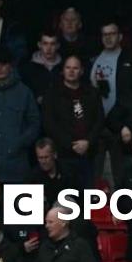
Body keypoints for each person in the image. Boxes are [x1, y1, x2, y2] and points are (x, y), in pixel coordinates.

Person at [0, 52, 40, 183]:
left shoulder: (24, 92)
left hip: (17, 164)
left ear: (11, 67)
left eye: (3, 65)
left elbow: (35, 122)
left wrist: (20, 143)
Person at [41, 56, 103, 186]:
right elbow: (49, 124)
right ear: (63, 70)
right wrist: (71, 144)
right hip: (64, 155)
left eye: (75, 68)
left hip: (89, 154)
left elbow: (99, 120)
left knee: (88, 196)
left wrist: (88, 142)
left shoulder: (92, 93)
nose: (71, 71)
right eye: (68, 67)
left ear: (81, 71)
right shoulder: (52, 94)